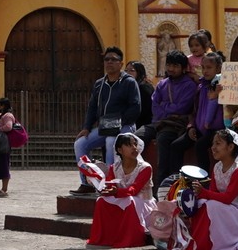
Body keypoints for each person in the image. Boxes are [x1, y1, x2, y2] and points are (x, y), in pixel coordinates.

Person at [177, 128, 238, 250]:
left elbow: (228, 198)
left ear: (231, 147)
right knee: (203, 203)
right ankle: (197, 242)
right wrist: (199, 194)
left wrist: (204, 192)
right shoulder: (217, 167)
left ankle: (207, 244)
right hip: (232, 208)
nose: (213, 147)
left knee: (210, 205)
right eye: (213, 144)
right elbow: (212, 194)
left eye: (218, 144)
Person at [73, 47, 141, 182]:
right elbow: (92, 107)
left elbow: (135, 107)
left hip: (125, 126)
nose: (109, 62)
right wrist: (87, 127)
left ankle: (110, 181)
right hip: (104, 127)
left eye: (113, 59)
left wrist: (119, 123)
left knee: (111, 141)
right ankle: (87, 182)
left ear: (121, 64)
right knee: (80, 144)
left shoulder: (129, 82)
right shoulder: (99, 84)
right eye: (106, 59)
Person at [85, 132, 152, 248]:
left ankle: (129, 239)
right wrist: (103, 188)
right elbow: (111, 185)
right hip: (123, 197)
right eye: (129, 145)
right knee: (101, 200)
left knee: (130, 200)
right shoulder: (114, 167)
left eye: (135, 144)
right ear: (120, 150)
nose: (134, 148)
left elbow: (134, 189)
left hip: (142, 201)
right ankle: (105, 237)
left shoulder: (145, 168)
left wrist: (116, 192)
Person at [138, 51, 196, 180]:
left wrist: (164, 106)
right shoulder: (162, 84)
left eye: (175, 66)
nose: (171, 69)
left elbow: (182, 108)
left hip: (173, 124)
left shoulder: (189, 86)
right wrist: (168, 108)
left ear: (183, 68)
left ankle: (163, 184)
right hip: (158, 122)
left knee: (163, 139)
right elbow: (154, 106)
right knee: (135, 138)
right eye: (169, 65)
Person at [126, 61, 154, 127]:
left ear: (139, 72)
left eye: (131, 71)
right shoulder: (129, 86)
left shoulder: (144, 88)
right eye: (126, 70)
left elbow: (143, 111)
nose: (127, 73)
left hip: (143, 124)